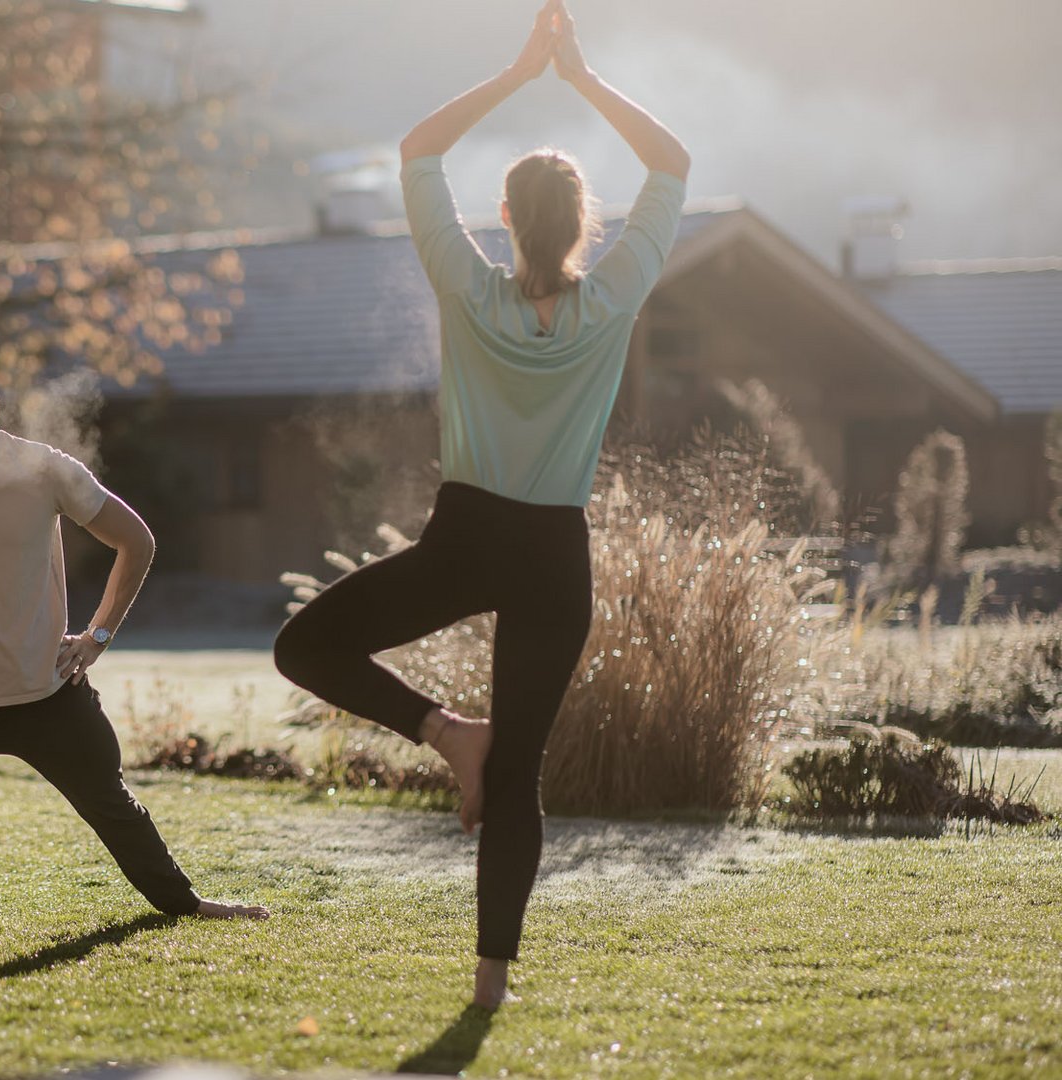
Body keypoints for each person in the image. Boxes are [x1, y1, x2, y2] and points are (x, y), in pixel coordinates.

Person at [272, 1, 690, 1009]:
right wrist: (580, 78)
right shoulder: (614, 297)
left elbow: (417, 150)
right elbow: (672, 164)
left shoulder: (467, 289)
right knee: (522, 776)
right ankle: (491, 984)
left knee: (305, 648)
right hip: (554, 553)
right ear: (587, 223)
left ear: (504, 219)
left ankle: (440, 730)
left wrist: (518, 74)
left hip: (467, 537)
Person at [0, 327, 269, 958]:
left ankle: (186, 904)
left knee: (115, 807)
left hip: (48, 692)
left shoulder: (43, 468)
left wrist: (98, 634)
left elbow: (136, 542)